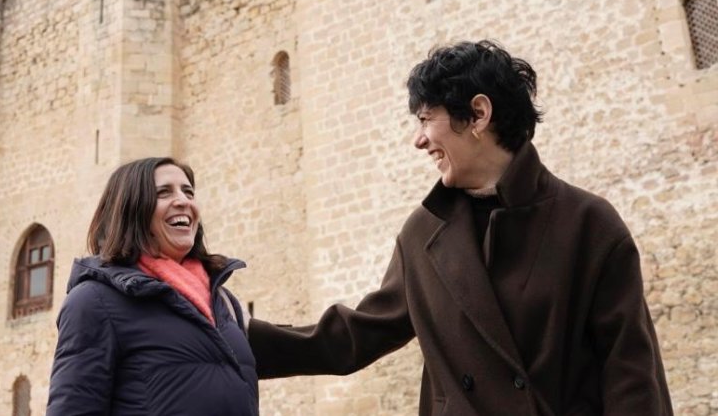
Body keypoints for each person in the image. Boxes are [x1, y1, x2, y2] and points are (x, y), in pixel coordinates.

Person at [248, 41, 673, 414]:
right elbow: (355, 336)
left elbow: (632, 379)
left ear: (478, 114)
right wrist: (229, 337)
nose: (419, 140)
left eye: (425, 119)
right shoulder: (422, 235)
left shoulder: (590, 225)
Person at [47, 157, 258, 415]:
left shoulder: (223, 301)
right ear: (131, 209)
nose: (183, 201)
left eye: (188, 191)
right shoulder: (94, 301)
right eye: (163, 193)